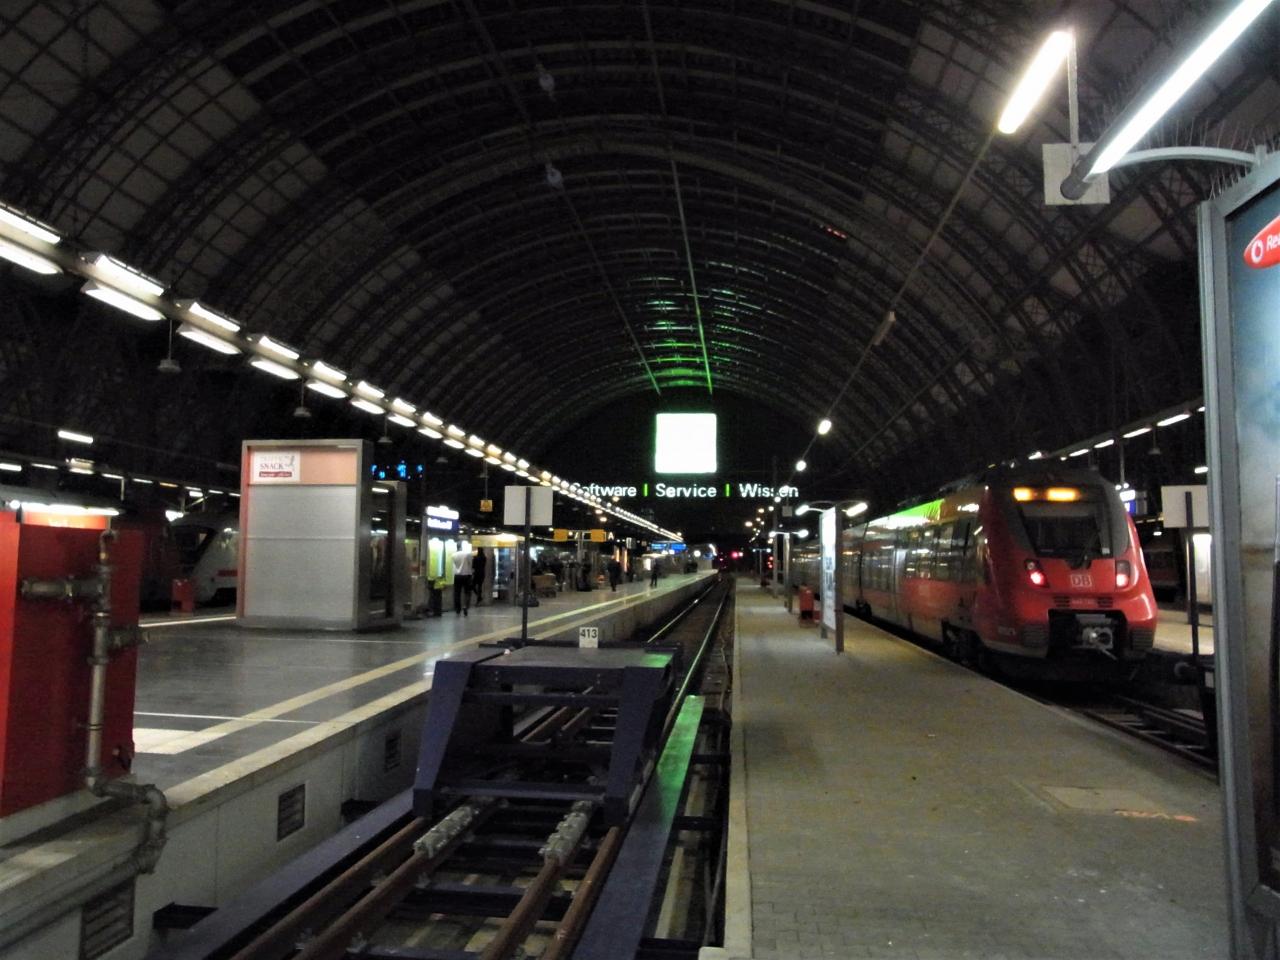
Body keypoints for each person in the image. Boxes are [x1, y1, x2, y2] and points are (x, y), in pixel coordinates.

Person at [452, 544, 472, 616]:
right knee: (467, 592)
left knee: (457, 592)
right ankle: (465, 606)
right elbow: (470, 564)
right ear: (461, 547)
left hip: (457, 575)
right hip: (467, 574)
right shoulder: (467, 554)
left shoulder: (453, 555)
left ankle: (458, 609)